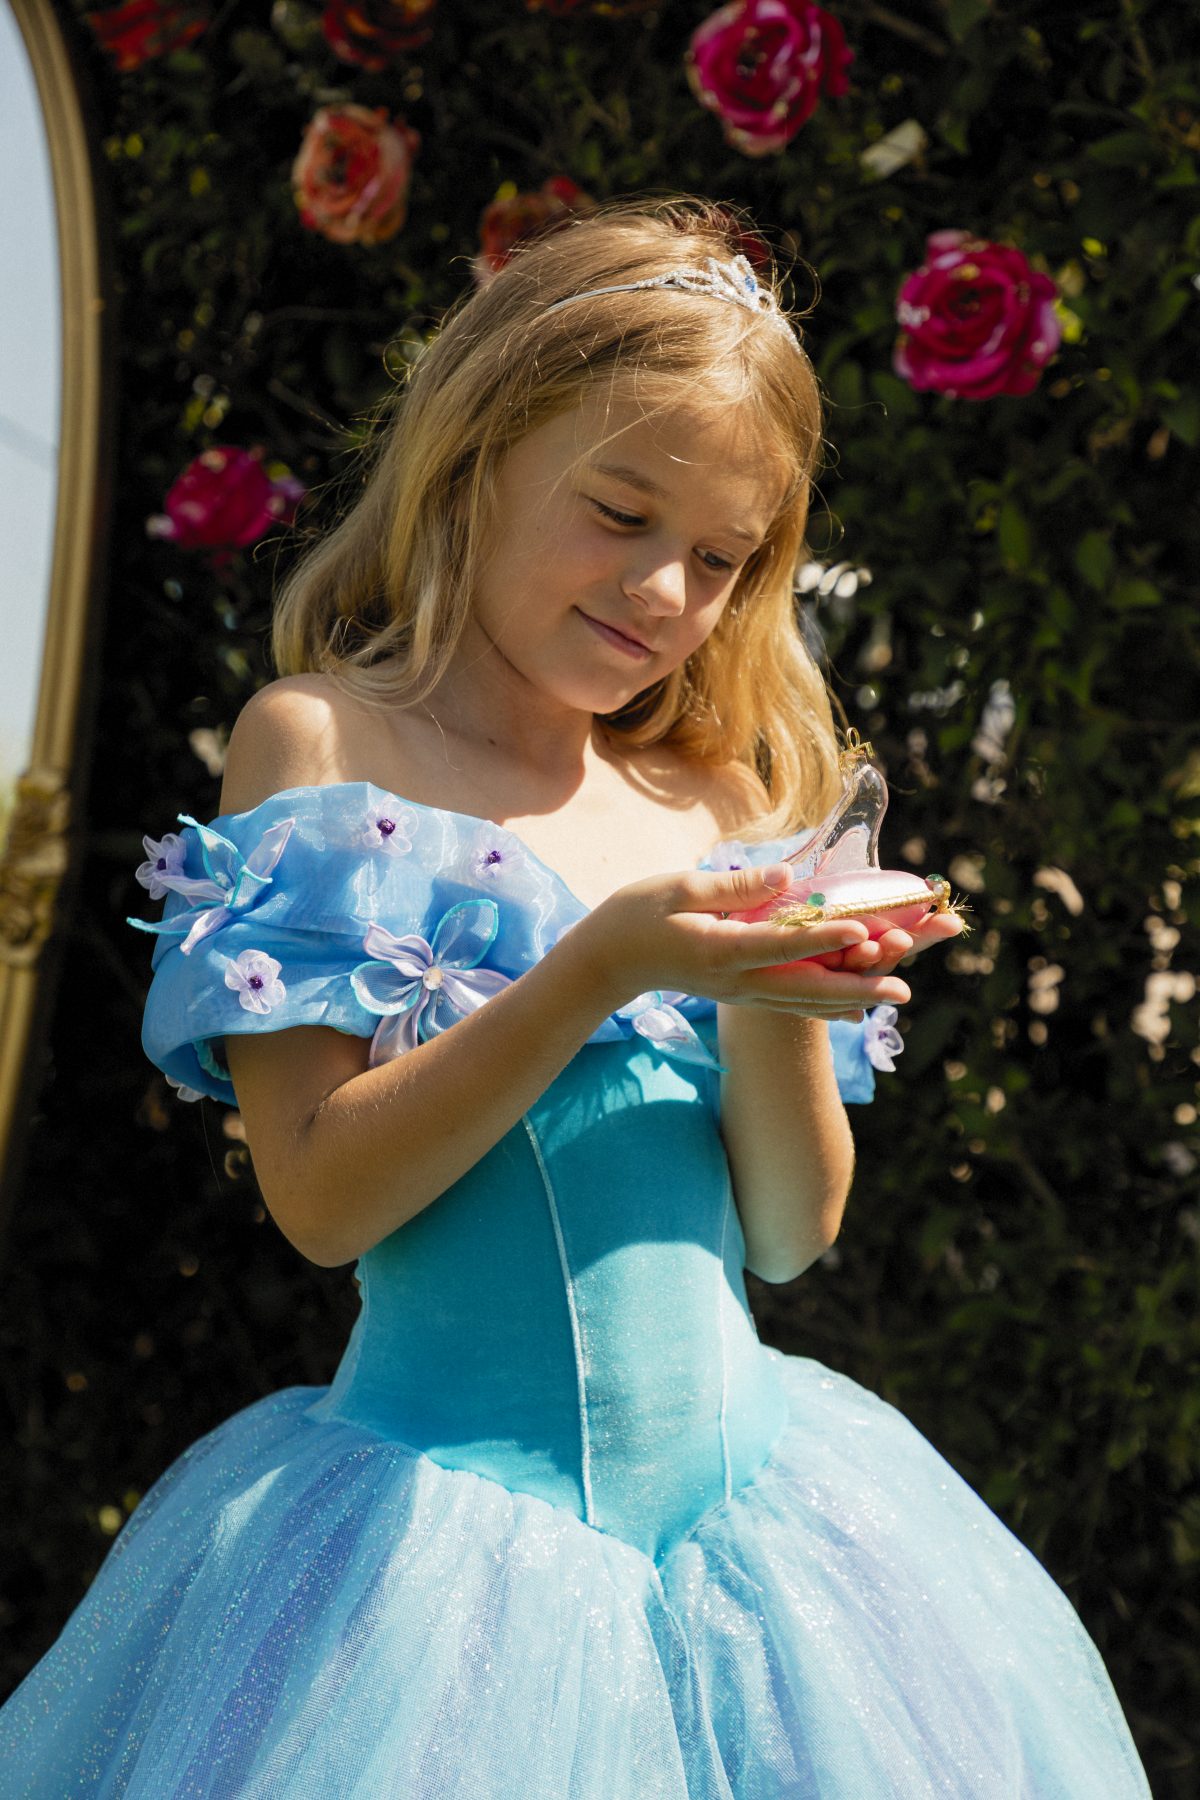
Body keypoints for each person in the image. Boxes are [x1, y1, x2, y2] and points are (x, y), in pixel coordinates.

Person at [0, 199, 1149, 1797]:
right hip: (445, 1590)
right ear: (480, 453)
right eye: (619, 513)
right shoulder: (327, 748)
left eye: (721, 559)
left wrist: (776, 992)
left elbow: (788, 1234)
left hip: (764, 1552)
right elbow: (323, 1201)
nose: (666, 589)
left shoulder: (714, 796)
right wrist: (603, 965)